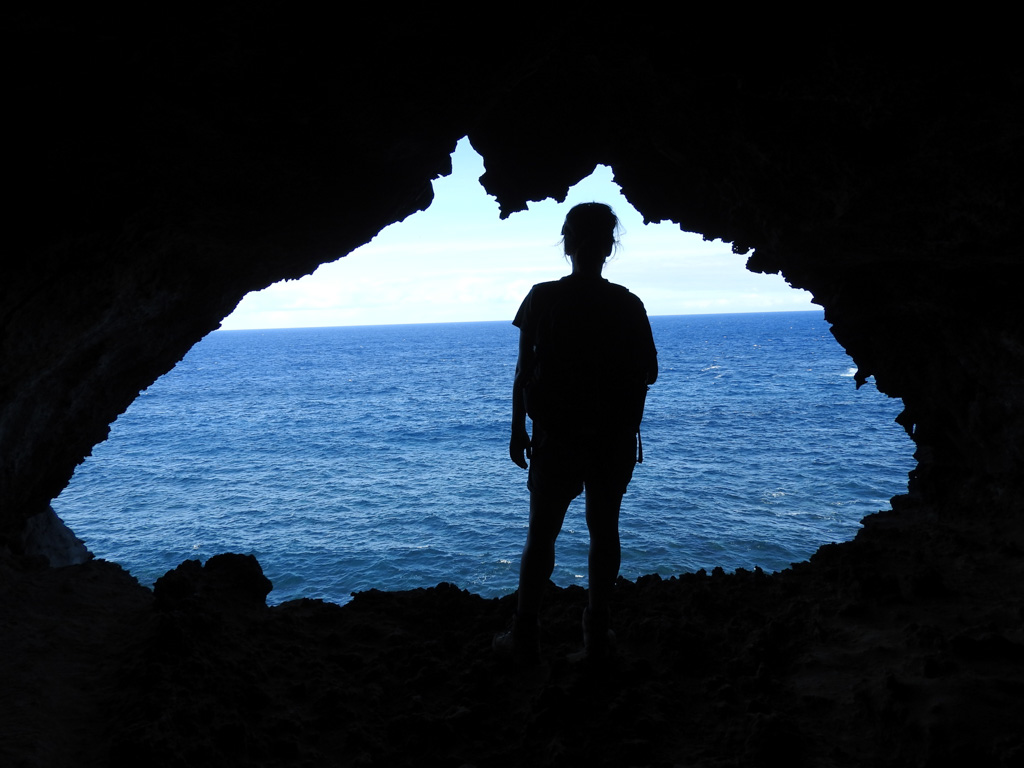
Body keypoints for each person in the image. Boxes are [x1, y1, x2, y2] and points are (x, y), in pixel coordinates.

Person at [494, 202, 658, 663]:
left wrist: (516, 430)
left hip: (556, 436)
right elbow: (650, 371)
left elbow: (524, 371)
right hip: (613, 438)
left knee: (541, 536)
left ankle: (524, 636)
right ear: (610, 246)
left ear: (567, 243)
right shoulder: (627, 302)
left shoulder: (542, 296)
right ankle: (596, 637)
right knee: (605, 531)